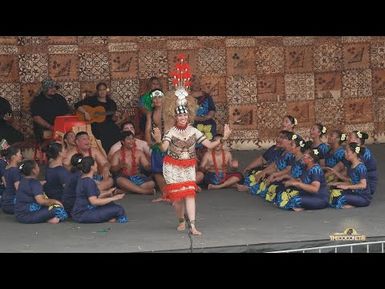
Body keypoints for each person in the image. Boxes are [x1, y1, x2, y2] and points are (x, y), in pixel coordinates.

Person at [72, 156, 127, 223]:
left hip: (81, 212)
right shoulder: (89, 182)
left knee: (111, 204)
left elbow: (91, 196)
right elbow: (94, 201)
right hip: (84, 213)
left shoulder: (83, 178)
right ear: (92, 167)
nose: (97, 166)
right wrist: (114, 198)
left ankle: (109, 217)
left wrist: (107, 193)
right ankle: (110, 217)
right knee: (119, 209)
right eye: (95, 164)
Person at [15, 160, 68, 224]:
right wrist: (55, 202)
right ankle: (48, 219)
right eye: (37, 166)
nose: (39, 167)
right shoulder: (35, 183)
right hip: (28, 216)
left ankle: (45, 217)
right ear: (34, 170)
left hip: (19, 214)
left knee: (46, 207)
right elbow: (41, 201)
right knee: (59, 210)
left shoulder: (22, 181)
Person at [74, 82, 121, 153]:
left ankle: (114, 152)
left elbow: (113, 119)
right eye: (100, 90)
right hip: (95, 124)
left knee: (116, 130)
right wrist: (85, 113)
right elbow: (77, 105)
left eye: (104, 89)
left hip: (109, 123)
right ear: (97, 91)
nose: (102, 92)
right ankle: (105, 152)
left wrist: (115, 116)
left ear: (107, 90)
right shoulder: (91, 100)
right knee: (102, 132)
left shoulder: (111, 103)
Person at [329, 143, 371, 208]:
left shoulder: (361, 167)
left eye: (347, 151)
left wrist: (348, 187)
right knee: (333, 196)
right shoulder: (351, 165)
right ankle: (351, 203)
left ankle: (353, 205)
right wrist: (335, 176)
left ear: (354, 153)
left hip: (363, 196)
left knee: (340, 199)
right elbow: (351, 180)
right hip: (354, 193)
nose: (344, 152)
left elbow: (363, 185)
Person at [30, 78, 70, 143]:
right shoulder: (37, 101)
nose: (54, 89)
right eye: (51, 87)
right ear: (45, 89)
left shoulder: (60, 98)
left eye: (55, 87)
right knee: (48, 138)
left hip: (60, 127)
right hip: (44, 128)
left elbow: (67, 113)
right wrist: (50, 127)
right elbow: (36, 118)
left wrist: (63, 125)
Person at [2, 145, 23, 214]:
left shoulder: (6, 168)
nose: (21, 155)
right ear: (14, 157)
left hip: (5, 203)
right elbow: (18, 189)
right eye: (19, 153)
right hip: (13, 204)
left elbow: (6, 185)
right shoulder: (15, 170)